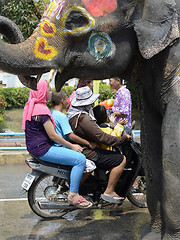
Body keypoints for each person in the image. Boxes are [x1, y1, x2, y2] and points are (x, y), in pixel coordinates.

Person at [22, 79, 92, 208]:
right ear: (41, 91)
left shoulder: (31, 106)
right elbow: (52, 135)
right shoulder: (41, 109)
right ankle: (73, 194)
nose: (50, 92)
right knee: (80, 159)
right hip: (43, 149)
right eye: (48, 89)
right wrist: (72, 146)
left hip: (34, 148)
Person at [67, 86, 131, 204]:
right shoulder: (83, 118)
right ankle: (109, 191)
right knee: (121, 159)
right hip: (88, 152)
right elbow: (102, 137)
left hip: (82, 149)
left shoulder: (73, 115)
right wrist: (122, 139)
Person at [51, 90, 96, 175]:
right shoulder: (62, 117)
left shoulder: (52, 113)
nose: (68, 101)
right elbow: (71, 136)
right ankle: (77, 187)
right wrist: (88, 143)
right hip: (63, 147)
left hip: (56, 146)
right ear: (62, 101)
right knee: (90, 166)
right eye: (66, 98)